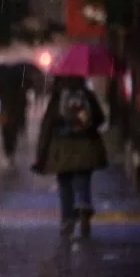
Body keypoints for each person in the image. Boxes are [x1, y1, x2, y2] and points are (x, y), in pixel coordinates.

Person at [32, 76, 108, 238]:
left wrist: (40, 155)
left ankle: (67, 219)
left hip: (62, 148)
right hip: (86, 146)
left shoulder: (57, 98)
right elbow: (100, 119)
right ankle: (83, 203)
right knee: (83, 177)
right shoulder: (87, 95)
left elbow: (46, 127)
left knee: (65, 182)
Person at [0, 72, 28, 164]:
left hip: (4, 110)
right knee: (12, 132)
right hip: (14, 111)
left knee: (5, 132)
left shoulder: (1, 79)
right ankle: (10, 151)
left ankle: (8, 152)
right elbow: (23, 98)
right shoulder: (19, 81)